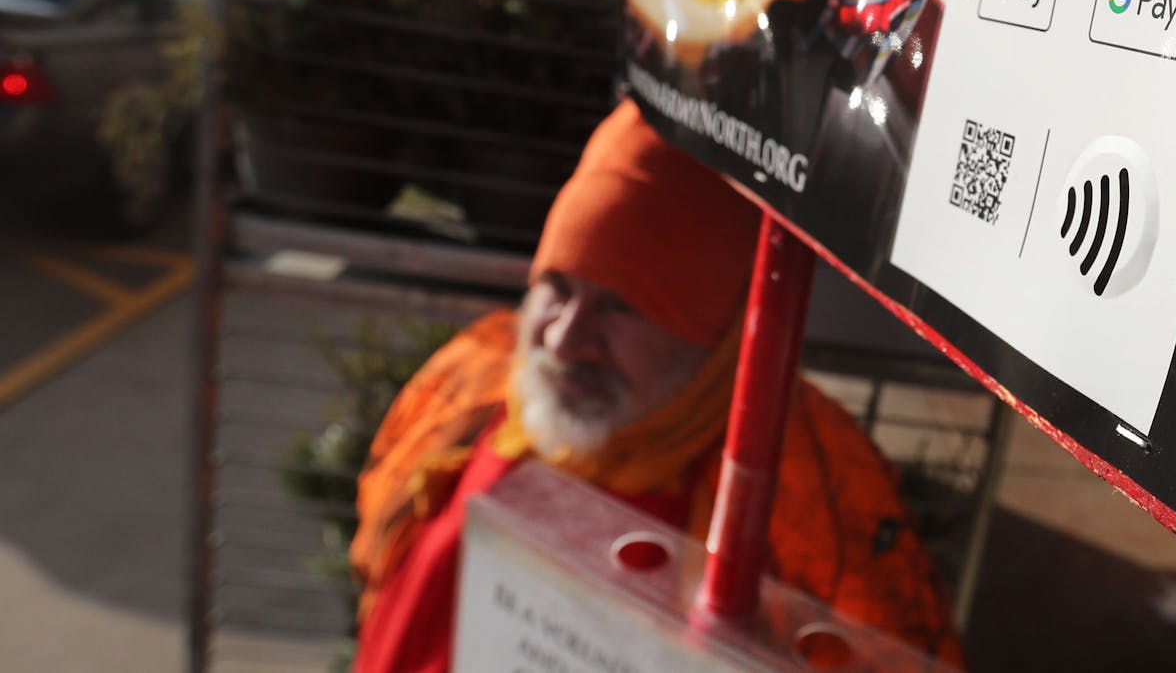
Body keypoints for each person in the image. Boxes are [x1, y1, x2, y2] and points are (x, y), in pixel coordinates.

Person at [349, 99, 964, 672]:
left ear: (716, 336)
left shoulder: (802, 476)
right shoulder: (475, 378)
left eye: (620, 308)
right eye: (557, 288)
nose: (563, 342)